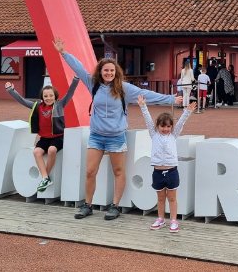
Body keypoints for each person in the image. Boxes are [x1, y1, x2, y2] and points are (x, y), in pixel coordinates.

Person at [53, 36, 182, 221]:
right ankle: (87, 205)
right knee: (90, 171)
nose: (109, 73)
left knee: (118, 171)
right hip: (96, 135)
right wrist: (63, 53)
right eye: (106, 70)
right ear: (101, 71)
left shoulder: (124, 89)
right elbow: (79, 68)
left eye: (112, 70)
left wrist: (170, 99)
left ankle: (115, 206)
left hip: (116, 136)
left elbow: (146, 94)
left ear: (116, 72)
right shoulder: (93, 84)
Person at [5, 77, 79, 192]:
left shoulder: (60, 105)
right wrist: (11, 90)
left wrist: (75, 79)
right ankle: (45, 178)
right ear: (42, 97)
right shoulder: (37, 106)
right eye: (45, 96)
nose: (48, 98)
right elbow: (22, 100)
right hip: (44, 138)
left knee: (51, 150)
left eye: (51, 95)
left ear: (55, 96)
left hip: (58, 137)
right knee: (36, 152)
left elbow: (70, 92)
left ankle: (45, 177)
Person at [137, 94, 195, 232]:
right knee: (161, 197)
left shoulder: (173, 135)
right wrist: (143, 106)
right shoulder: (154, 134)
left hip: (171, 171)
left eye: (168, 126)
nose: (166, 129)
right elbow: (148, 120)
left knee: (172, 197)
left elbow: (180, 123)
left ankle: (174, 220)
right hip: (157, 172)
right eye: (163, 126)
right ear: (158, 126)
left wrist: (187, 111)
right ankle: (161, 219)